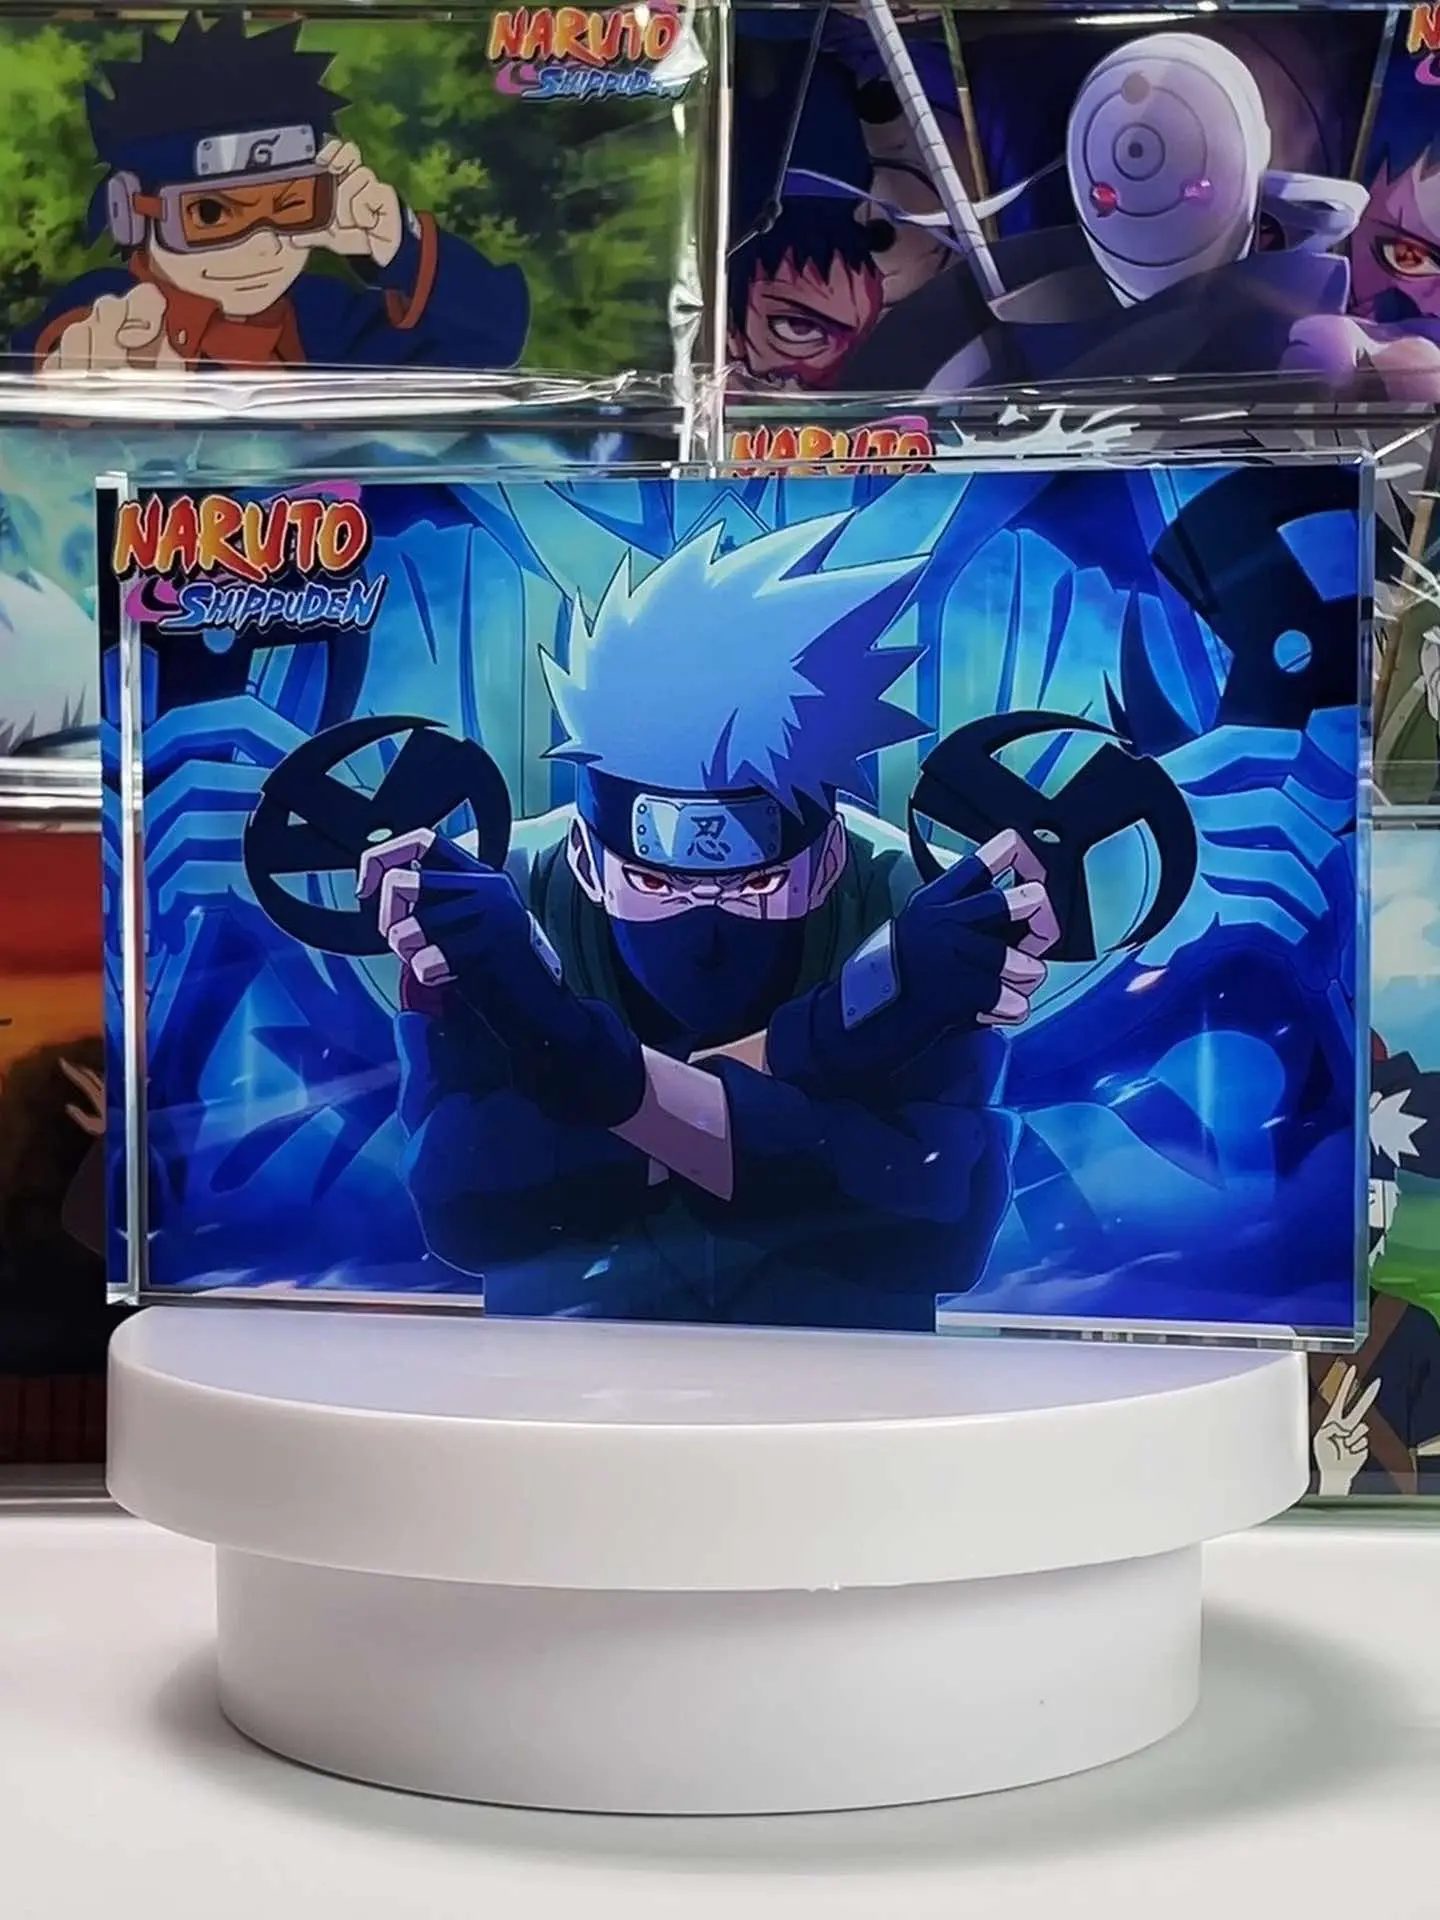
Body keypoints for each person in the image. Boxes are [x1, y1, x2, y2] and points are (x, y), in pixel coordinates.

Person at [357, 516, 1058, 1329]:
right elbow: (466, 1203)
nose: (706, 917)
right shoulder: (495, 899)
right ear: (586, 857)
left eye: (759, 883)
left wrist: (563, 1048)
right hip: (559, 1363)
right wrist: (833, 1038)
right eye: (653, 881)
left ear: (830, 856)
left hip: (851, 1366)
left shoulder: (912, 897)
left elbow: (937, 1220)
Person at [13, 12, 528, 374]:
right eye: (211, 213)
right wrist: (80, 382)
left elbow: (493, 342)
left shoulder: (321, 317)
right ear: (130, 211)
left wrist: (399, 242)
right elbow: (54, 349)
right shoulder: (107, 303)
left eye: (292, 204)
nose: (264, 246)